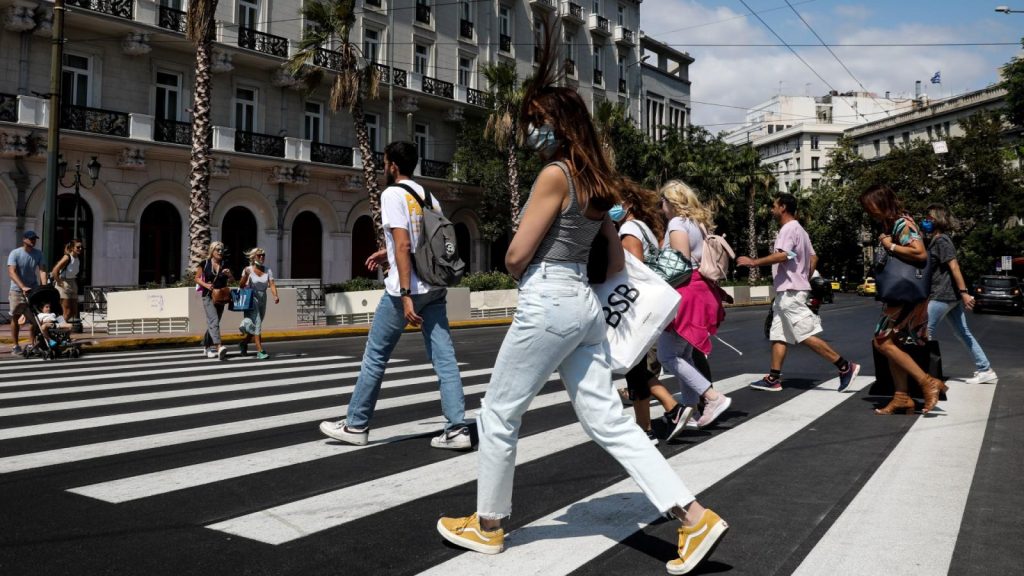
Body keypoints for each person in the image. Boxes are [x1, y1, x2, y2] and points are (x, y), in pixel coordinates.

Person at [437, 26, 728, 575]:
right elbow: (616, 262)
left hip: (547, 299)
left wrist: (519, 251)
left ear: (558, 127)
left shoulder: (553, 175)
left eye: (536, 124)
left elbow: (517, 256)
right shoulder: (596, 183)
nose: (530, 133)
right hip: (585, 307)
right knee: (609, 421)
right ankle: (693, 516)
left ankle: (489, 523)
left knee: (499, 411)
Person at [319, 140, 470, 450]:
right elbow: (419, 244)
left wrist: (404, 294)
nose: (383, 167)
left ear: (392, 165)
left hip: (406, 291)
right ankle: (457, 429)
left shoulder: (392, 194)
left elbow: (403, 244)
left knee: (375, 357)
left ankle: (356, 424)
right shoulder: (429, 196)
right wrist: (386, 252)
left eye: (384, 162)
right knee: (445, 359)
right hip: (434, 287)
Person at [737, 193, 861, 393]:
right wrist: (803, 276)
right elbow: (813, 257)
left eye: (774, 205)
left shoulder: (788, 229)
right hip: (788, 291)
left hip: (791, 292)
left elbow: (783, 255)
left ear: (783, 207)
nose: (772, 209)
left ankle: (845, 367)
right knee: (778, 334)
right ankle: (773, 378)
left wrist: (754, 262)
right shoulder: (801, 230)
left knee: (804, 334)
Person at [859, 185, 947, 415]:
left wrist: (891, 245)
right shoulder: (892, 223)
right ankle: (901, 396)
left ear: (883, 202)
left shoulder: (902, 223)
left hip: (906, 295)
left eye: (872, 207)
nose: (870, 212)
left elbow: (920, 253)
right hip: (901, 294)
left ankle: (926, 381)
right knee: (892, 343)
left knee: (882, 341)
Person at [656, 180, 733, 433]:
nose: (661, 206)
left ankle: (712, 397)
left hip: (685, 292)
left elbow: (679, 265)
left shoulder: (677, 224)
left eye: (663, 201)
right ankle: (689, 410)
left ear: (672, 202)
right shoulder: (696, 224)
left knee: (666, 356)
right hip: (700, 291)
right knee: (685, 355)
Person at [923, 203, 996, 384]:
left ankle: (921, 375)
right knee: (963, 332)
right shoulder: (936, 240)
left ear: (937, 220)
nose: (925, 221)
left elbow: (954, 266)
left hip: (943, 294)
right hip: (949, 295)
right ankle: (985, 368)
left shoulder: (942, 241)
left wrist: (964, 292)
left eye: (929, 218)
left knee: (923, 332)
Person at [7, 230, 47, 354]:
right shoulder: (15, 253)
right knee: (15, 317)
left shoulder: (38, 253)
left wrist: (44, 287)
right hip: (17, 290)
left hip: (33, 290)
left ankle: (33, 344)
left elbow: (42, 271)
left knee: (36, 319)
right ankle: (15, 345)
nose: (33, 241)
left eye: (34, 239)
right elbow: (11, 272)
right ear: (24, 240)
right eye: (31, 239)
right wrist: (22, 286)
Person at [238, 247, 280, 360]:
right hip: (252, 298)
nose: (262, 257)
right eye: (259, 255)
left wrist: (275, 295)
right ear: (253, 257)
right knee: (257, 323)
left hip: (263, 298)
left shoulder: (268, 270)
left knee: (257, 324)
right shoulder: (248, 270)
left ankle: (244, 342)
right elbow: (241, 286)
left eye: (263, 255)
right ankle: (260, 350)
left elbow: (271, 284)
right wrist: (246, 275)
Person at [194, 241, 233, 360]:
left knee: (213, 323)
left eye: (221, 250)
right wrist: (205, 285)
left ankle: (206, 346)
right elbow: (196, 278)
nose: (220, 252)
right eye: (218, 250)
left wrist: (229, 274)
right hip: (208, 296)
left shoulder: (225, 264)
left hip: (221, 296)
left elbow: (231, 280)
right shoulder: (205, 263)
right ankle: (219, 347)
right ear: (212, 251)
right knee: (214, 320)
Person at [50, 239, 83, 322]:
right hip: (64, 282)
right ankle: (59, 328)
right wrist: (59, 281)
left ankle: (59, 324)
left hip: (73, 282)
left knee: (74, 311)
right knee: (67, 311)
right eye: (78, 247)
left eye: (81, 247)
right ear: (72, 248)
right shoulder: (67, 257)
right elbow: (55, 270)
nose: (80, 249)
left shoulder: (77, 258)